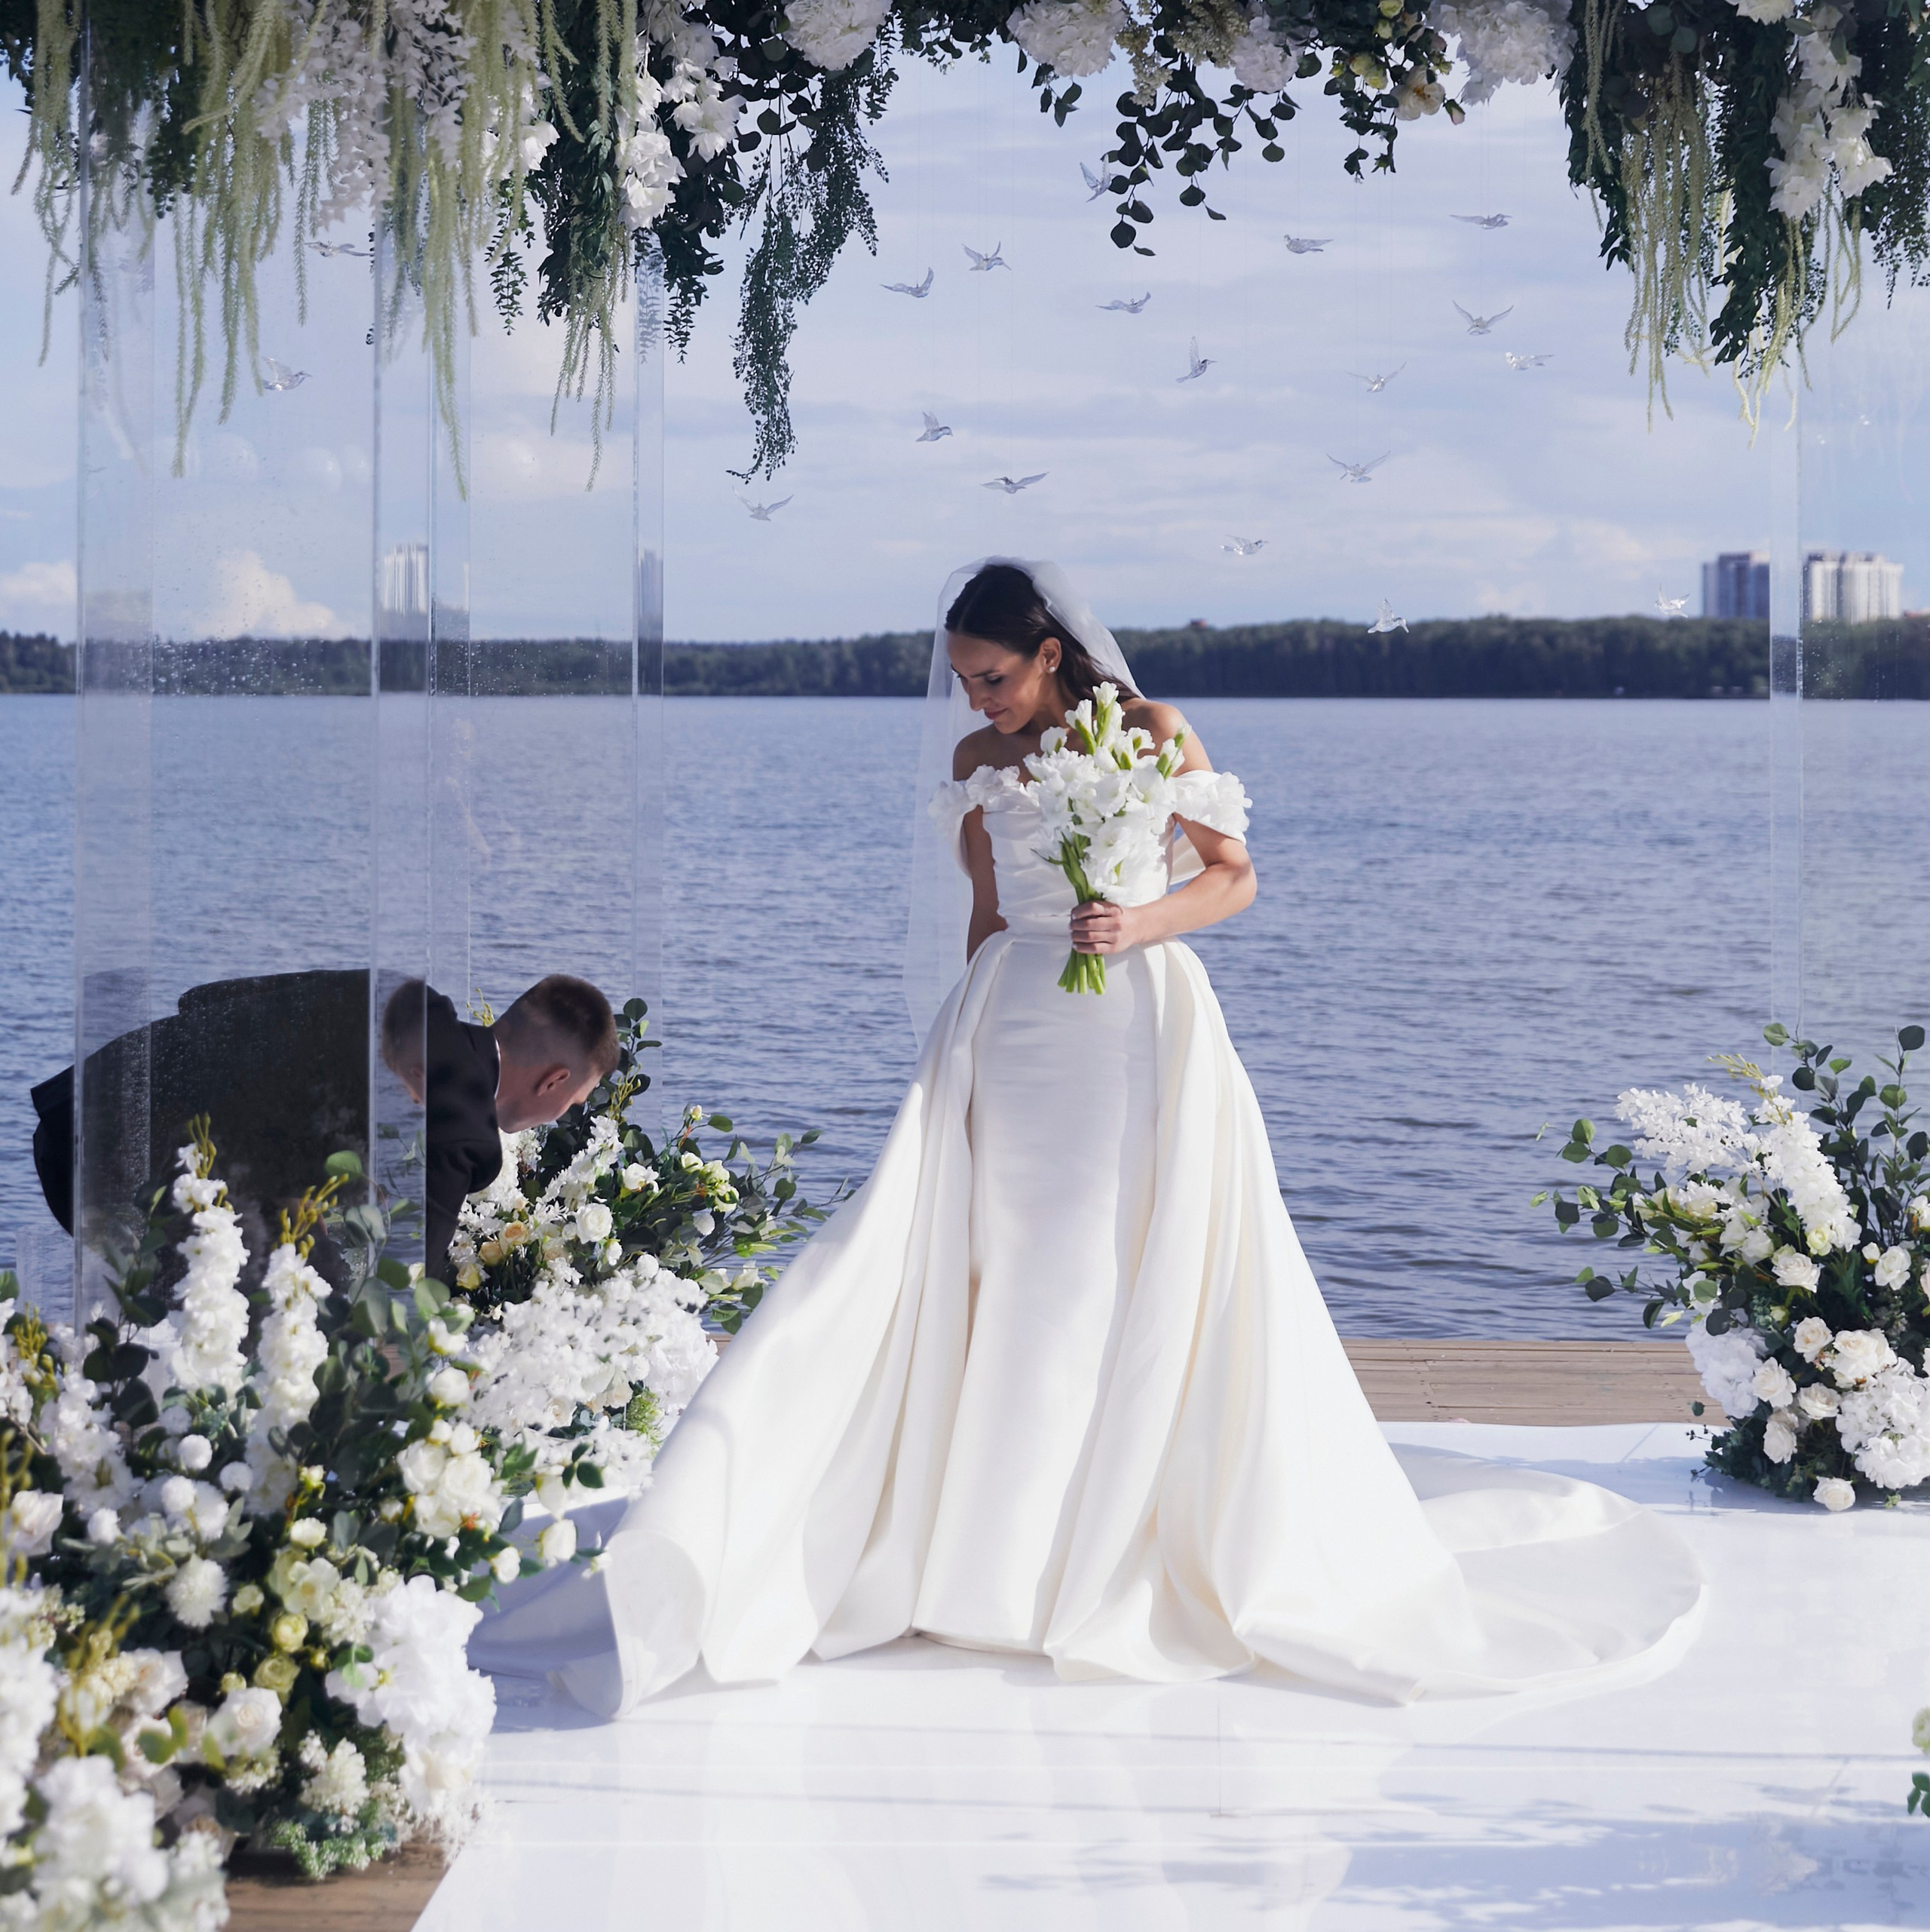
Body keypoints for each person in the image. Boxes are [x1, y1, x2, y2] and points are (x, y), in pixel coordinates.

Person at [480, 560, 1699, 1714]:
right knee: (996, 1266)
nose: (977, 700)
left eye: (994, 677)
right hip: (1007, 1026)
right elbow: (986, 911)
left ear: (1051, 655)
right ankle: (975, 1546)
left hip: (1132, 1028)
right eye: (964, 680)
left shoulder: (1153, 733)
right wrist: (954, 1052)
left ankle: (1097, 1544)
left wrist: (1140, 923)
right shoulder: (977, 759)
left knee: (1106, 1266)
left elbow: (1235, 876)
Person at [380, 974, 617, 1285]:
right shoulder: (466, 1132)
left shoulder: (411, 1001)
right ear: (553, 1081)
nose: (557, 1118)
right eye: (573, 1102)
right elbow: (405, 1275)